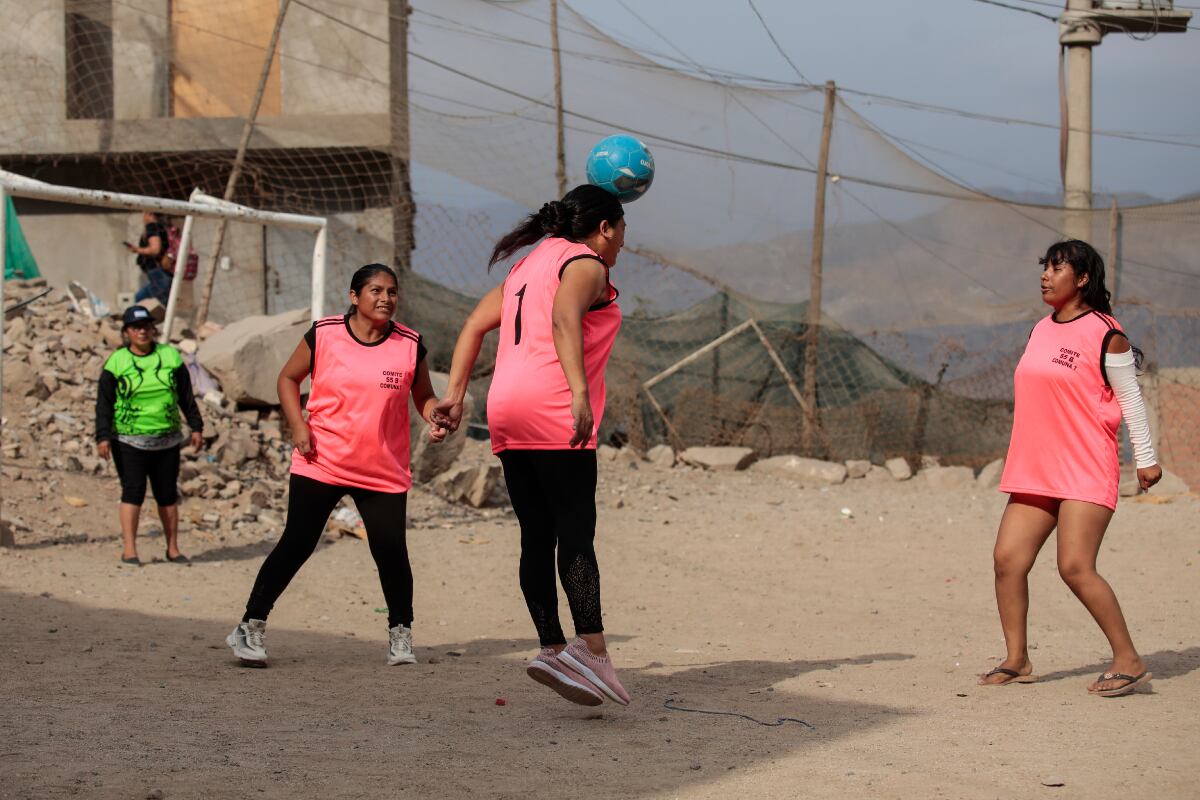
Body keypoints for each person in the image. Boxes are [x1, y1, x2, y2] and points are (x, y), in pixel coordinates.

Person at [434, 184, 631, 707]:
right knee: (576, 534)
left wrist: (455, 396)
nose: (622, 244)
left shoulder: (527, 265)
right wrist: (579, 392)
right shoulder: (585, 263)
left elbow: (474, 325)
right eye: (622, 232)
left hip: (506, 409)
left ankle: (552, 648)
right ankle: (592, 652)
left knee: (536, 537)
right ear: (605, 228)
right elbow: (565, 317)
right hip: (552, 407)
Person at [226, 264, 447, 668]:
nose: (385, 298)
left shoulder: (410, 344)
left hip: (382, 468)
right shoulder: (325, 333)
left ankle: (401, 635)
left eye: (392, 291)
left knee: (391, 551)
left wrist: (435, 415)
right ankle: (250, 625)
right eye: (376, 290)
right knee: (297, 543)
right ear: (354, 296)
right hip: (321, 460)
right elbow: (288, 379)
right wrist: (298, 426)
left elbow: (424, 397)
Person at [980, 239, 1161, 697]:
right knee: (1007, 560)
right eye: (1045, 267)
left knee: (1075, 567)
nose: (1045, 275)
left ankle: (1128, 659)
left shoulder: (1106, 333)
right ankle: (1017, 660)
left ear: (1081, 279)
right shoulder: (1040, 330)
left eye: (1057, 268)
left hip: (1084, 465)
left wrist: (1145, 458)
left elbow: (1131, 400)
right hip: (1035, 467)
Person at [95, 305, 204, 565]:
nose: (142, 332)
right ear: (127, 332)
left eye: (146, 327)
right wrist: (102, 436)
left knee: (167, 493)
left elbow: (186, 395)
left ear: (153, 329)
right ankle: (130, 550)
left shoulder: (170, 357)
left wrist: (196, 426)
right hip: (128, 440)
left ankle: (173, 549)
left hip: (167, 438)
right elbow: (104, 403)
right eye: (136, 328)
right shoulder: (117, 362)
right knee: (133, 491)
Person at [126, 211, 171, 305]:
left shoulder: (152, 226)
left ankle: (129, 307)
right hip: (161, 269)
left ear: (150, 214)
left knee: (161, 300)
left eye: (144, 213)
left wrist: (137, 249)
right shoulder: (162, 227)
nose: (143, 217)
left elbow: (155, 250)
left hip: (156, 269)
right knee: (152, 292)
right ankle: (130, 306)